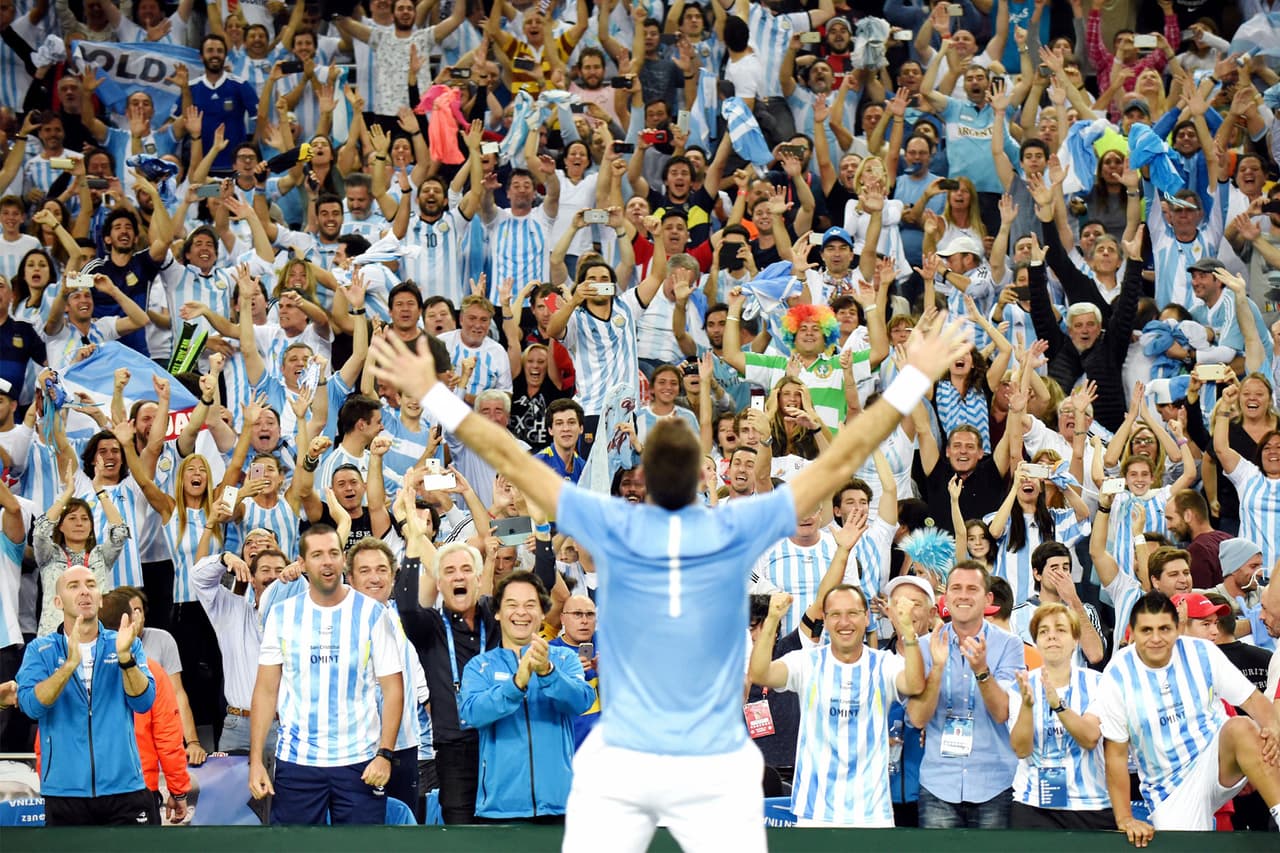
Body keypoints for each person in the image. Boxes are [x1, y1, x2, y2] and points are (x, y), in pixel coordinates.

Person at [367, 313, 972, 851]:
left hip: (625, 758)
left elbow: (511, 457)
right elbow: (842, 459)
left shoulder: (615, 525)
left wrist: (432, 391)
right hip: (712, 762)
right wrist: (914, 376)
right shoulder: (734, 526)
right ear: (701, 478)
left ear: (643, 480)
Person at [247, 525, 404, 825]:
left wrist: (385, 754)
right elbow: (266, 691)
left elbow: (393, 688)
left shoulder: (372, 613)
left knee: (363, 847)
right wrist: (256, 761)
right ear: (302, 563)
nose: (327, 562)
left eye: (333, 553)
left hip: (360, 762)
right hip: (297, 762)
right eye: (317, 555)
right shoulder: (282, 615)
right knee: (293, 847)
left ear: (343, 559)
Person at [1095, 592, 1280, 845]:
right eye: (1147, 630)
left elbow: (1253, 701)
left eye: (1164, 629)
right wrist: (1125, 818)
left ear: (1177, 628)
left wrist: (1274, 731)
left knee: (1243, 727)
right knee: (1185, 846)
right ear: (1133, 632)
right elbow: (1115, 755)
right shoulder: (1117, 674)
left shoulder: (1202, 652)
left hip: (1215, 757)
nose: (1156, 638)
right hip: (1170, 788)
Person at [749, 587, 924, 827]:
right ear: (825, 619)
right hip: (814, 811)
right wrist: (771, 620)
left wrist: (907, 632)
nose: (844, 622)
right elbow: (760, 674)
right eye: (835, 614)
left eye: (852, 613)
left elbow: (915, 685)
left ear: (866, 617)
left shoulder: (884, 663)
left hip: (871, 812)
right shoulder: (807, 662)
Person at [15, 566, 158, 825]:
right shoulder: (40, 650)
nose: (84, 591)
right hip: (64, 793)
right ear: (57, 602)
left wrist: (125, 659)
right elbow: (32, 707)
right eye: (74, 586)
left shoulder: (125, 642)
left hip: (124, 788)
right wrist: (69, 665)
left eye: (91, 585)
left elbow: (144, 702)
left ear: (100, 598)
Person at [458, 570, 595, 821]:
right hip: (499, 809)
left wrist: (548, 672)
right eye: (512, 605)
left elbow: (581, 700)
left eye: (530, 605)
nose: (521, 612)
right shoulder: (479, 666)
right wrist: (516, 684)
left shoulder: (565, 659)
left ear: (543, 613)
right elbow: (472, 713)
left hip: (560, 806)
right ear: (497, 612)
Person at [907, 561, 1025, 829]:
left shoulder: (1009, 645)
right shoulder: (924, 646)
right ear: (945, 596)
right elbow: (917, 719)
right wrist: (937, 668)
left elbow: (1003, 713)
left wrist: (982, 671)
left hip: (994, 783)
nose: (963, 595)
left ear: (988, 599)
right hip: (939, 783)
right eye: (956, 588)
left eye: (972, 589)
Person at [1007, 603, 1112, 830]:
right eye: (1043, 631)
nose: (1052, 636)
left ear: (1075, 640)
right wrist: (1027, 707)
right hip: (1033, 804)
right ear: (1036, 642)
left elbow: (1090, 738)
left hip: (1090, 804)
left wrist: (1058, 705)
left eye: (1061, 630)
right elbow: (1021, 750)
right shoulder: (1021, 686)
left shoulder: (1098, 683)